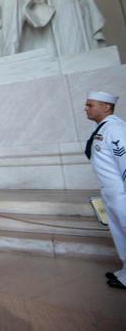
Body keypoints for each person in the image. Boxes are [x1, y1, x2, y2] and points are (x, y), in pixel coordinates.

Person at [84, 91, 126, 290]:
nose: (86, 108)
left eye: (90, 105)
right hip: (111, 192)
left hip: (122, 193)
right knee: (120, 233)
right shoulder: (104, 129)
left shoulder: (115, 129)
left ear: (106, 107)